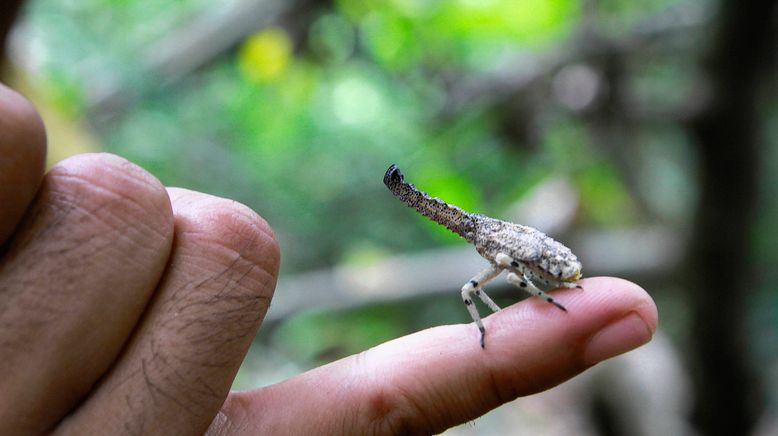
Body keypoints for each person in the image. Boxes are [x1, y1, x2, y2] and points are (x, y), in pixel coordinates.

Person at [0, 82, 657, 435]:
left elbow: (515, 250)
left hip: (550, 266)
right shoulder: (475, 235)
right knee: (472, 291)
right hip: (539, 266)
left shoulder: (496, 238)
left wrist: (540, 293)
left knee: (487, 279)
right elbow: (453, 220)